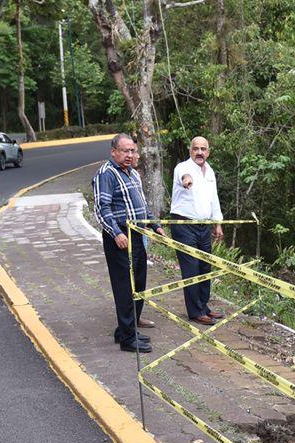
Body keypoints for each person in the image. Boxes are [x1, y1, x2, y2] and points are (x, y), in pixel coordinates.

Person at [92, 133, 161, 352]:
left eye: (132, 151)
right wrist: (115, 233)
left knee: (139, 282)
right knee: (124, 286)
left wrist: (155, 225)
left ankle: (126, 329)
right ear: (114, 151)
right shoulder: (106, 174)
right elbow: (102, 208)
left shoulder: (132, 174)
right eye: (125, 151)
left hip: (137, 233)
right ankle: (127, 340)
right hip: (120, 236)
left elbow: (142, 205)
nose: (129, 155)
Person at [169, 135, 225, 324]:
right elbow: (185, 177)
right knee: (191, 268)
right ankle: (195, 312)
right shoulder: (183, 168)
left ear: (208, 152)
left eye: (203, 149)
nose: (199, 152)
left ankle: (204, 306)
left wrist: (217, 224)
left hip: (203, 226)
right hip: (183, 225)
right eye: (196, 149)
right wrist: (187, 182)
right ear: (190, 151)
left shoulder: (210, 171)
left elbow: (213, 199)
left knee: (205, 266)